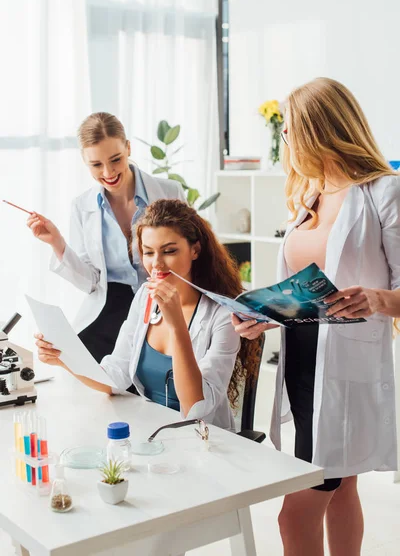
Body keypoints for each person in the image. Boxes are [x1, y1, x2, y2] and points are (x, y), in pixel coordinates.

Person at [232, 78, 400, 556]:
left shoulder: (383, 192)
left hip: (349, 370)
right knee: (342, 485)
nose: (285, 141)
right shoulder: (309, 196)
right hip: (301, 367)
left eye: (289, 131)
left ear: (318, 131)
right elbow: (299, 293)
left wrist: (377, 300)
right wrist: (262, 316)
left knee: (294, 513)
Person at [34, 199, 260, 429]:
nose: (157, 264)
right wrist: (64, 358)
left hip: (203, 439)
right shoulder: (145, 296)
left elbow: (196, 408)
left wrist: (177, 326)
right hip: (151, 431)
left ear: (195, 250)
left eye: (169, 251)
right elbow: (116, 376)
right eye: (148, 252)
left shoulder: (223, 314)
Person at [27, 113, 185, 363]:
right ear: (84, 161)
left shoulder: (170, 192)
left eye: (116, 159)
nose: (109, 172)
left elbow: (194, 258)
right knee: (75, 366)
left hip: (161, 304)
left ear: (128, 148)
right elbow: (90, 282)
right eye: (96, 165)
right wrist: (57, 243)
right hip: (108, 309)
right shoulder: (82, 206)